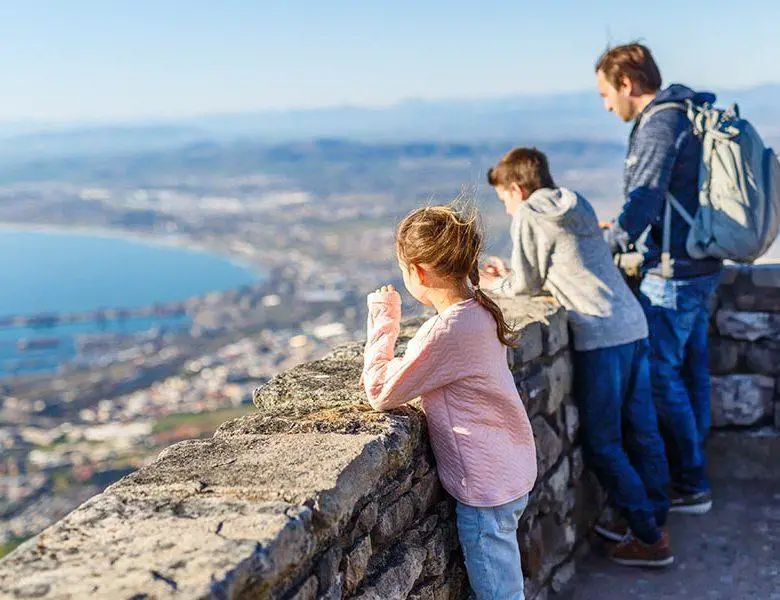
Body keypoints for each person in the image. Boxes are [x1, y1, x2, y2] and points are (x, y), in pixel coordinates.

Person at [481, 147, 673, 567]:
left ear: (516, 188)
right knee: (643, 430)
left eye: (504, 200)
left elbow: (527, 286)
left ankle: (649, 538)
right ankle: (656, 518)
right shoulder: (576, 200)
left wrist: (494, 284)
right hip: (632, 323)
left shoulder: (532, 212)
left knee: (604, 443)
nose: (509, 210)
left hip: (601, 335)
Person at [362, 204, 537, 599]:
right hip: (510, 471)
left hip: (485, 489)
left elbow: (380, 392)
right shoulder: (478, 309)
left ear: (419, 272)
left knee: (499, 594)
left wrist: (383, 319)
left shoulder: (447, 330)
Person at [596, 43, 722, 514]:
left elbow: (644, 201)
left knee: (658, 376)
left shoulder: (660, 121)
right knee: (690, 369)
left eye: (606, 93)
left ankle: (690, 482)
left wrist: (605, 249)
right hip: (700, 262)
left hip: (674, 271)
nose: (606, 105)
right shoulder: (686, 112)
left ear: (627, 84)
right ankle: (695, 473)